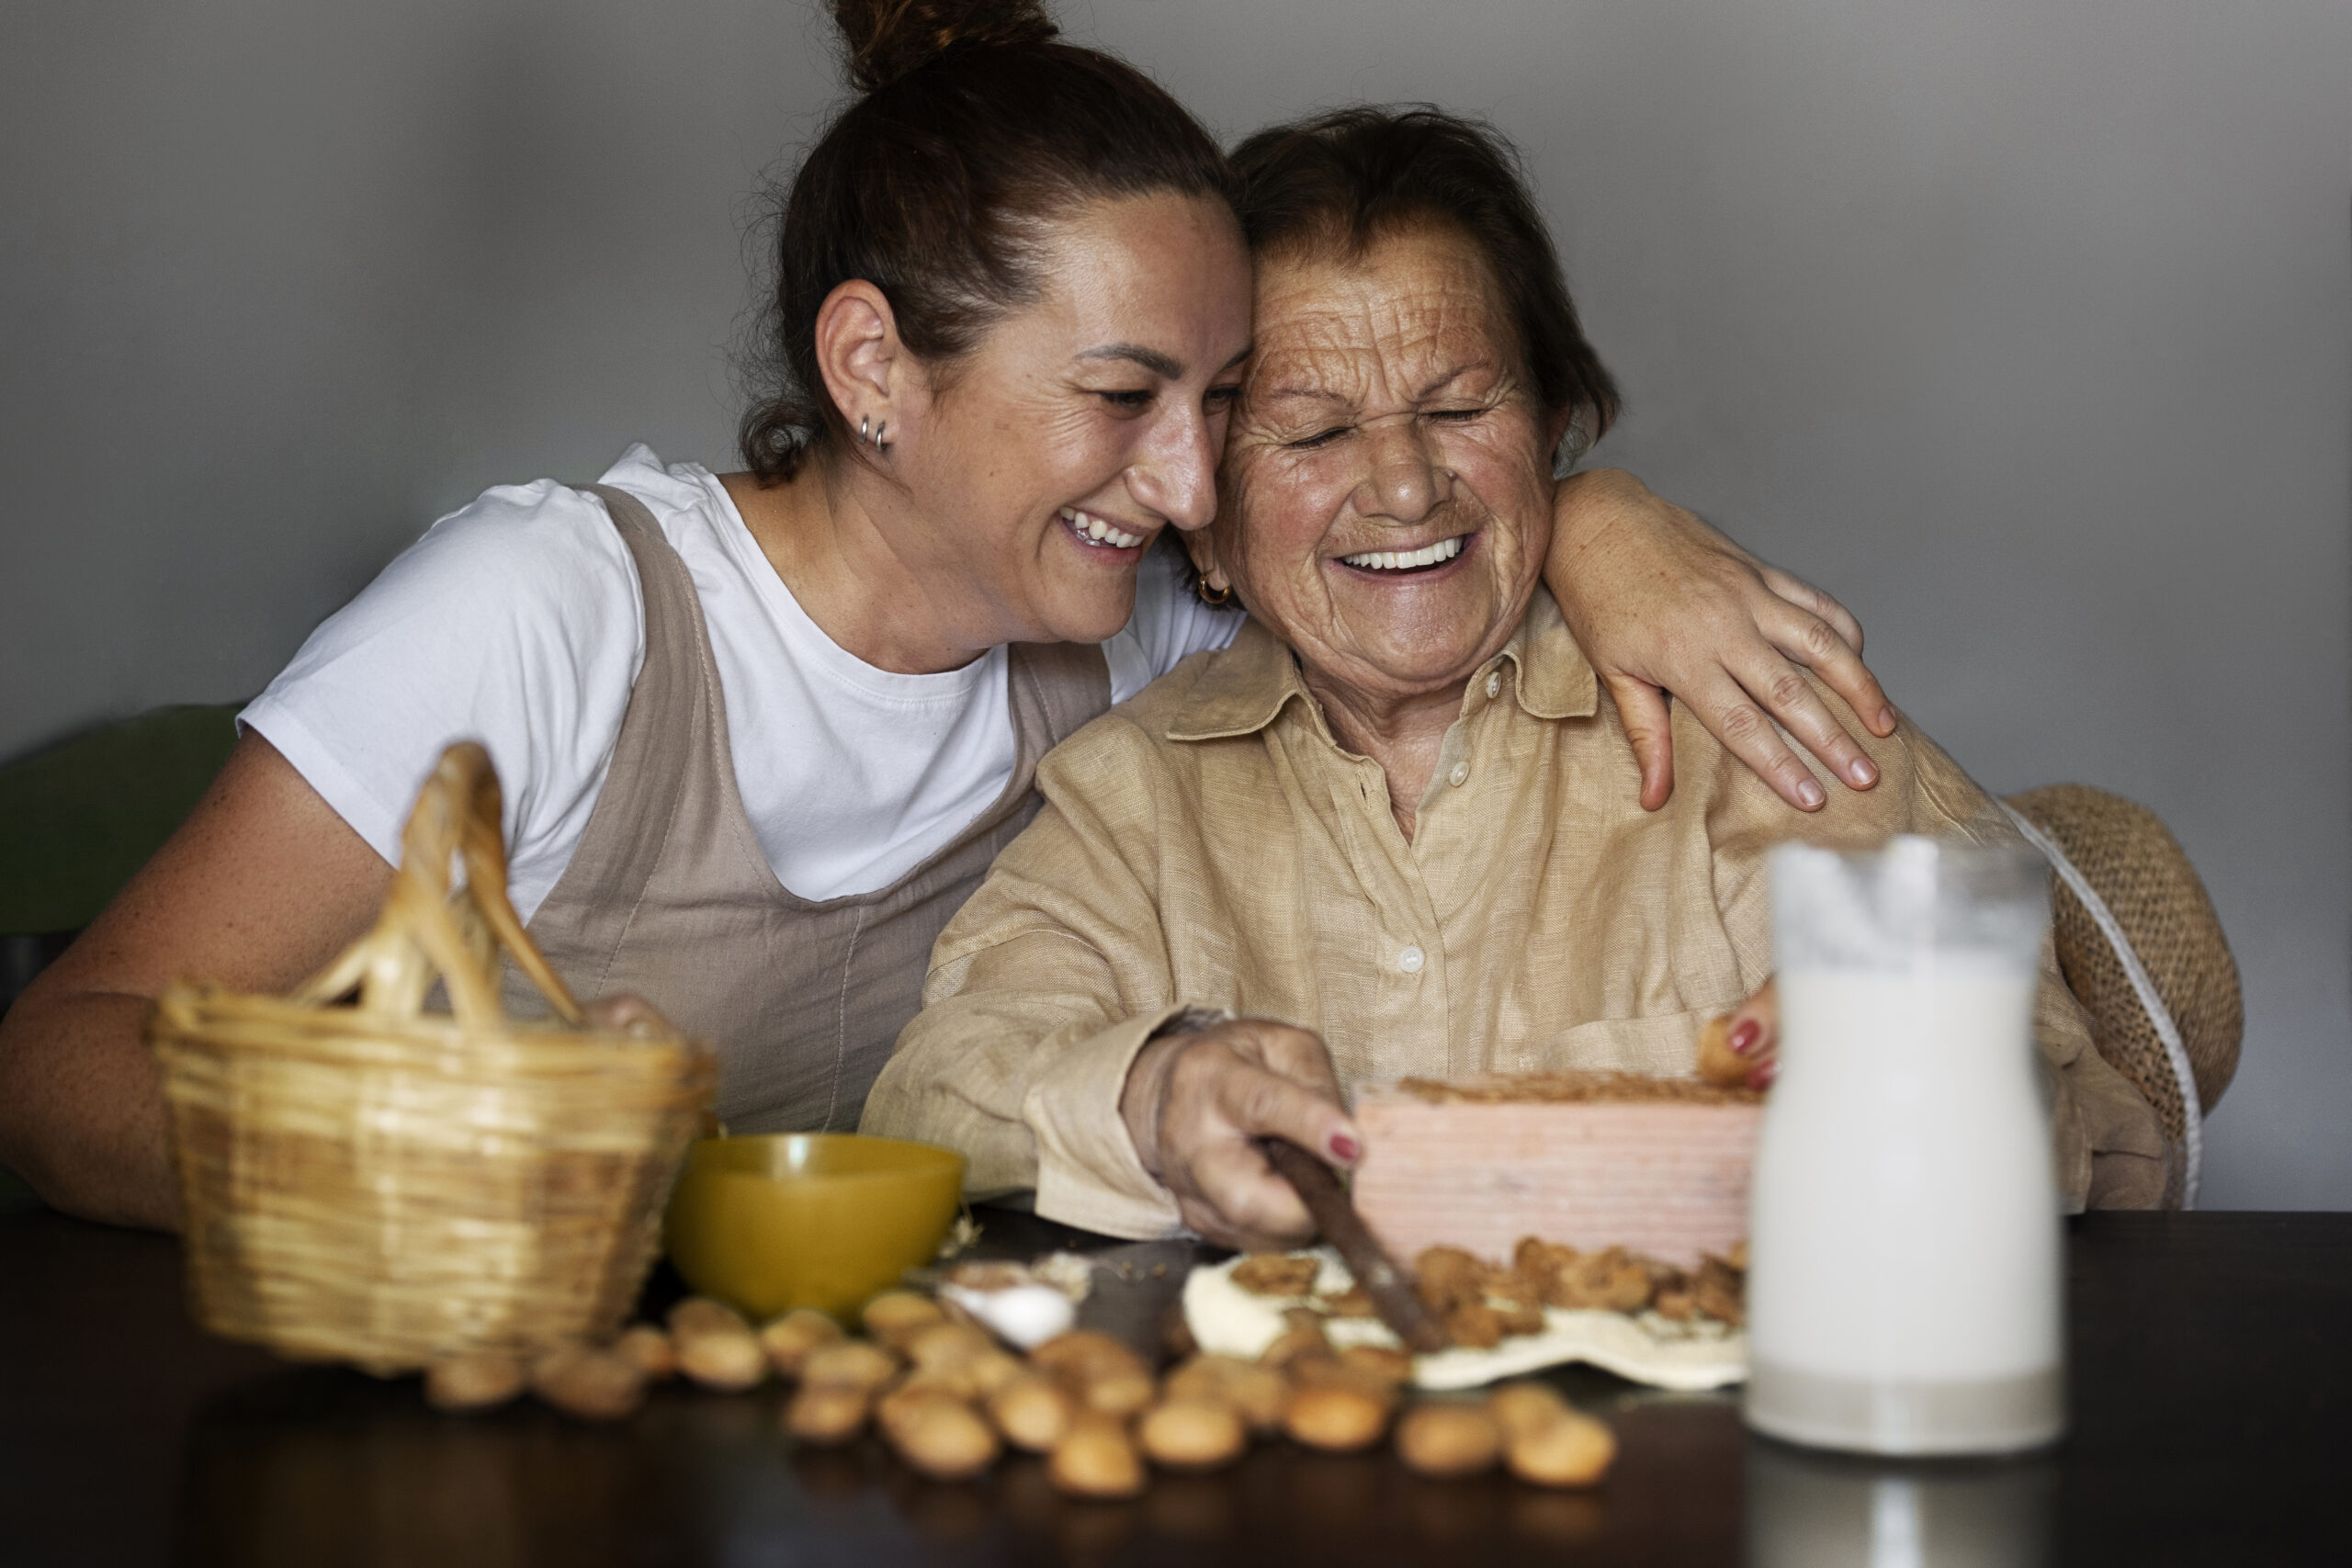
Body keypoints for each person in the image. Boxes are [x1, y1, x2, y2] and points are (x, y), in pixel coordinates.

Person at [0, 3, 1896, 1232]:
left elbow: (1382, 525)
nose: (1183, 483)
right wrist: (410, 1155)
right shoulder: (547, 615)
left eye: (1220, 403)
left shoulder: (1123, 637)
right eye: (1123, 395)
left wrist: (1601, 524)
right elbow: (60, 1055)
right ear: (873, 367)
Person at [859, 107, 2169, 1247]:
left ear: (1555, 428)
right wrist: (1151, 1096)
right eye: (1311, 430)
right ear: (1202, 503)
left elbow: (2080, 1117)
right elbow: (933, 1096)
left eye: (1461, 407)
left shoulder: (1748, 703)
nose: (1405, 484)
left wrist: (1903, 1068)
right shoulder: (1132, 796)